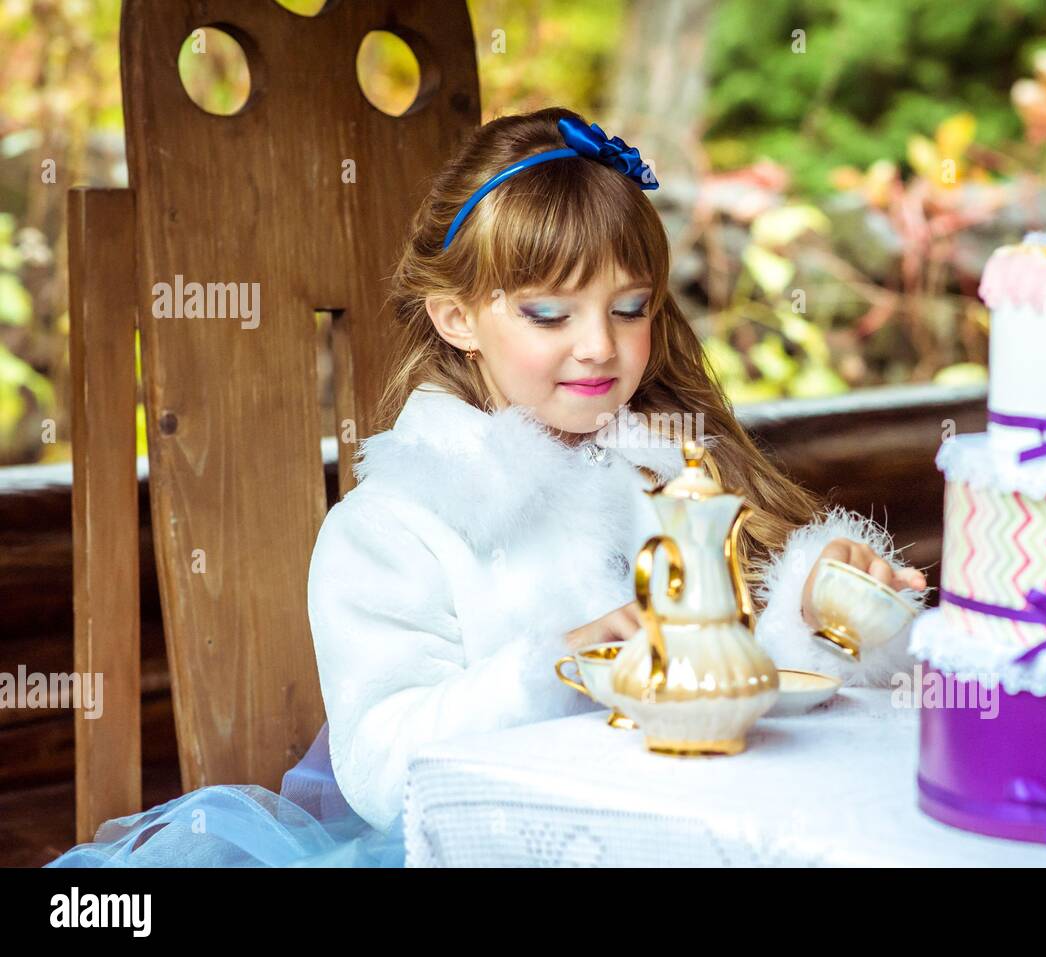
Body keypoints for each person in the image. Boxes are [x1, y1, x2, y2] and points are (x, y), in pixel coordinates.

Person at [44, 107, 927, 867]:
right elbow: (384, 766)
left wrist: (817, 612)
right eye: (549, 313)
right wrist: (551, 665)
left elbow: (724, 689)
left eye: (631, 308)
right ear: (457, 315)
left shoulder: (667, 481)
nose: (600, 347)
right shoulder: (393, 526)